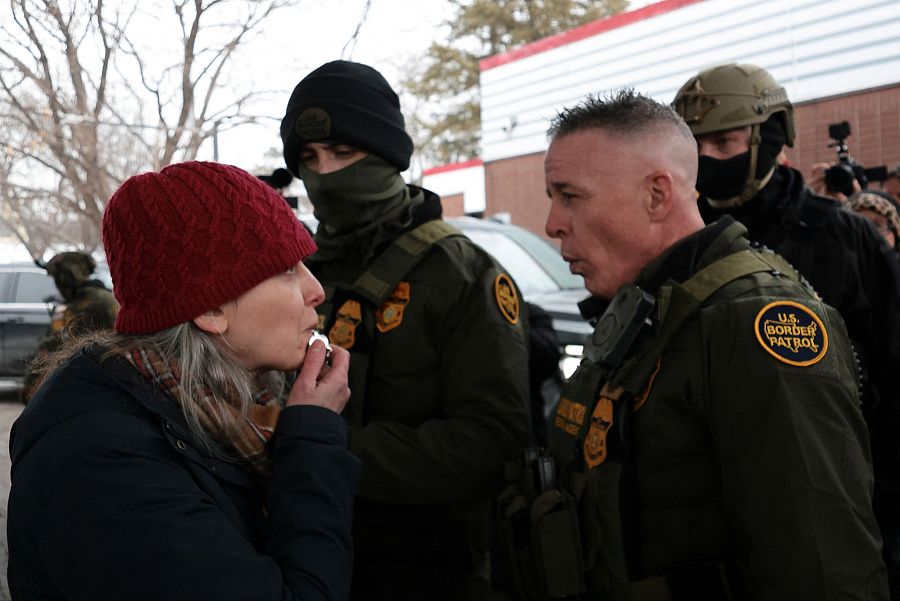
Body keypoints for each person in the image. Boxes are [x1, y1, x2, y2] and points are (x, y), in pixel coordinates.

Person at [535, 89, 887, 599]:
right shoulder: (652, 309)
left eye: (570, 196)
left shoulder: (751, 322)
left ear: (657, 195)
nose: (552, 224)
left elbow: (822, 567)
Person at [7, 161, 360, 600]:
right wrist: (313, 440)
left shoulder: (218, 404)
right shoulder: (103, 462)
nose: (317, 289)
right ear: (211, 309)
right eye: (286, 269)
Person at [280, 60, 531, 600]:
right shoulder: (297, 271)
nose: (325, 173)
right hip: (310, 552)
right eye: (309, 159)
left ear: (389, 154)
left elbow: (492, 441)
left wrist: (324, 448)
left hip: (430, 567)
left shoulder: (465, 274)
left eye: (343, 153)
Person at [673, 63, 900, 596]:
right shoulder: (681, 239)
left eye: (723, 141)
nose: (706, 160)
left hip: (842, 496)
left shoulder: (843, 237)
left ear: (770, 137)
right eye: (695, 145)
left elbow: (893, 364)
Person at [21, 251, 119, 402]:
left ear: (65, 279)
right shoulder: (99, 296)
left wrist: (30, 388)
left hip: (95, 387)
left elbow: (57, 347)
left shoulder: (87, 304)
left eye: (57, 280)